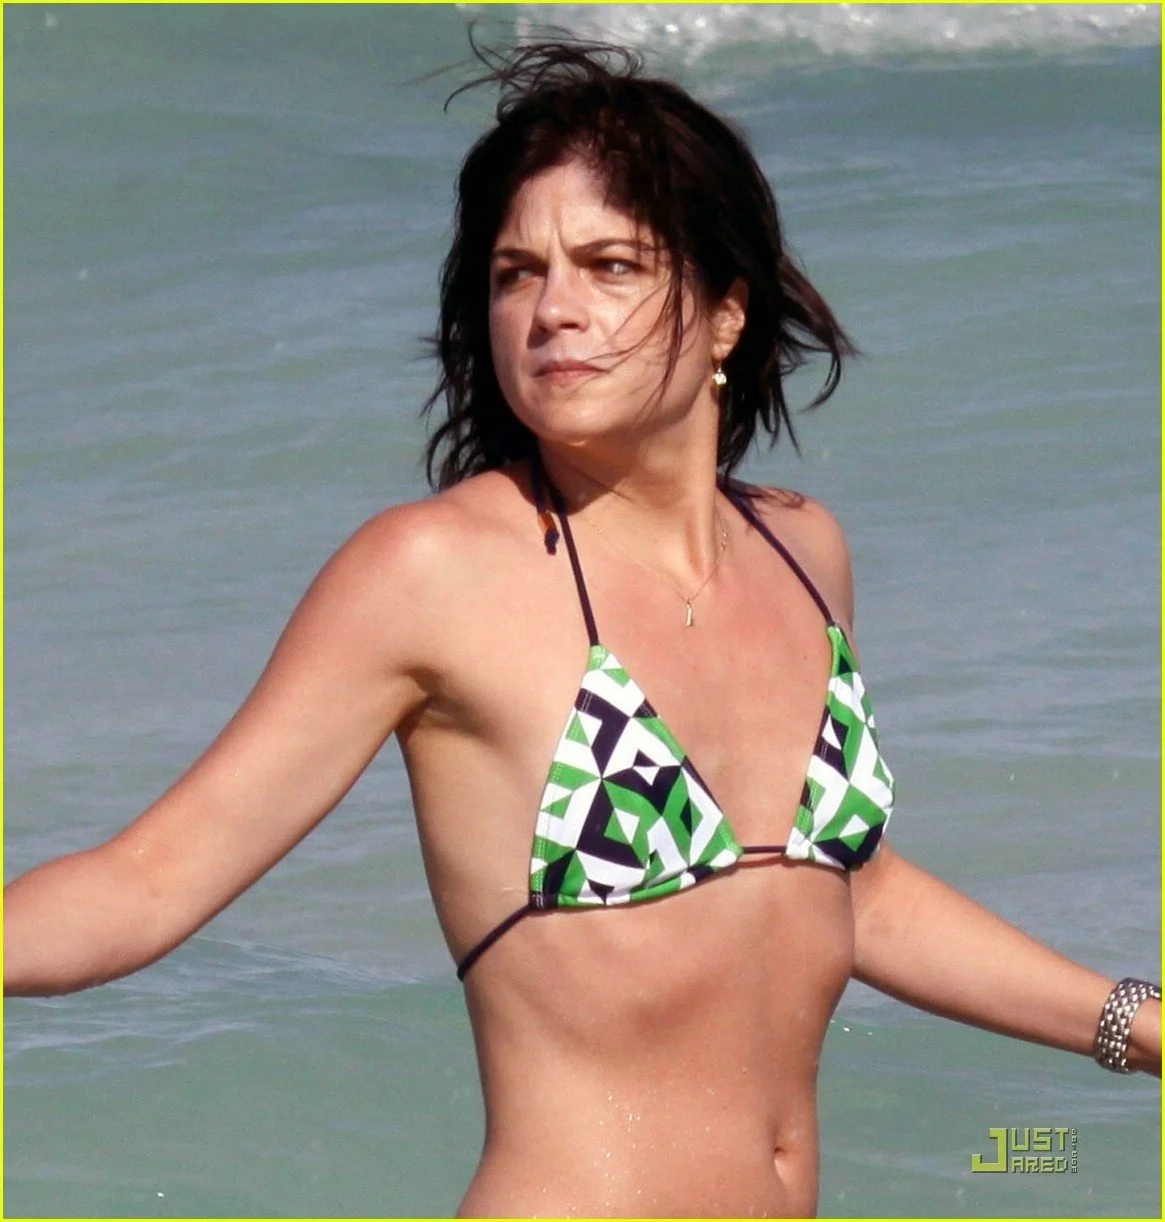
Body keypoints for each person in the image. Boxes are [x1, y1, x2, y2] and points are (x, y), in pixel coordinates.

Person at [5, 40, 1159, 1219]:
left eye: (610, 265)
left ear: (725, 313)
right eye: (517, 273)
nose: (554, 310)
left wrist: (1136, 1025)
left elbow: (840, 895)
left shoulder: (803, 550)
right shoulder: (434, 572)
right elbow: (147, 880)